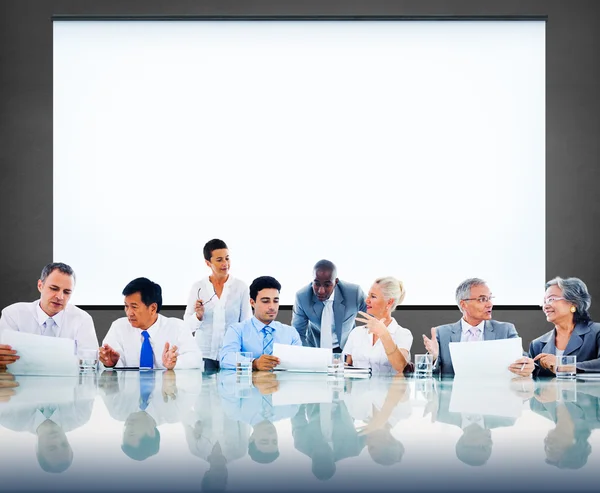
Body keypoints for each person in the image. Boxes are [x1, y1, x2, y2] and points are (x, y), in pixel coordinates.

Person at [422, 278, 534, 376]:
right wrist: (434, 358)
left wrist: (527, 365)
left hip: (495, 397)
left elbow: (523, 359)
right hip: (456, 397)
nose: (490, 304)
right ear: (463, 304)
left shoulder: (505, 330)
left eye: (490, 298)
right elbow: (425, 375)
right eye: (482, 299)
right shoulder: (442, 333)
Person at [0, 262, 98, 369]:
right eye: (54, 288)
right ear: (40, 286)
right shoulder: (13, 314)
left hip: (67, 383)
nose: (60, 297)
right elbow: (4, 360)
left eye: (67, 292)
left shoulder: (82, 319)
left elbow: (91, 363)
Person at [100, 277, 202, 369]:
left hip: (166, 389)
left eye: (134, 307)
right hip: (130, 389)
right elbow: (103, 361)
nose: (129, 312)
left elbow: (195, 359)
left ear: (153, 308)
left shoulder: (177, 327)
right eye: (126, 306)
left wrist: (175, 363)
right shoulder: (118, 327)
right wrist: (110, 364)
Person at [183, 239, 252, 371]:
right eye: (219, 260)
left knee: (231, 391)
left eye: (227, 258)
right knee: (204, 391)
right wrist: (198, 316)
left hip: (231, 356)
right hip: (204, 356)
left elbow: (246, 324)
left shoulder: (240, 287)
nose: (225, 264)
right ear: (208, 263)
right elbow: (186, 327)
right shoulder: (198, 287)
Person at [219, 276, 301, 371]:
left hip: (282, 384)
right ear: (252, 302)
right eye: (265, 301)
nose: (272, 307)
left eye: (275, 301)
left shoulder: (290, 333)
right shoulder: (237, 330)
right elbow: (226, 358)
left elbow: (299, 362)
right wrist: (254, 363)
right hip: (249, 385)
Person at [529, 277, 600, 377]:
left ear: (574, 303)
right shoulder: (537, 344)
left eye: (551, 299)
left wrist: (563, 365)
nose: (545, 306)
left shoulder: (597, 332)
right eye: (544, 301)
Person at [291, 260, 366, 353]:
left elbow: (374, 317)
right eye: (317, 284)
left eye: (327, 285)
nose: (321, 291)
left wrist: (360, 347)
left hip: (347, 349)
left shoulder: (354, 293)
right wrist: (308, 354)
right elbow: (298, 333)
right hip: (316, 348)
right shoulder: (302, 297)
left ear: (336, 282)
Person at [345, 277, 412, 373]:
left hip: (388, 388)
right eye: (368, 295)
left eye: (373, 296)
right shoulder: (356, 333)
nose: (366, 300)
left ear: (389, 302)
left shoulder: (403, 334)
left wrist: (383, 334)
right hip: (358, 388)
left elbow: (401, 367)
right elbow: (347, 367)